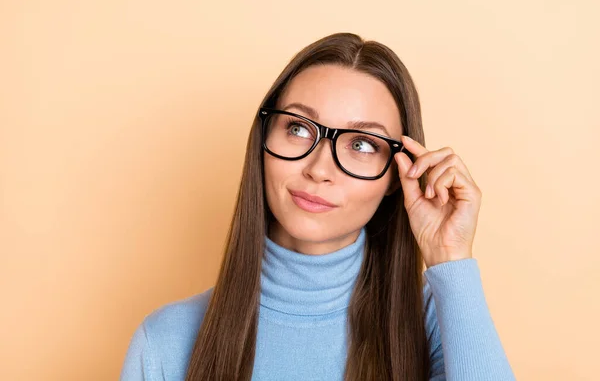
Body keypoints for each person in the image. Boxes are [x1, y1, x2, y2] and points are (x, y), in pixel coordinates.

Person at [120, 33, 516, 381]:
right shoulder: (166, 342)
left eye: (362, 144)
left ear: (398, 176)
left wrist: (450, 257)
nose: (319, 169)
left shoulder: (437, 322)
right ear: (262, 141)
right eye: (297, 128)